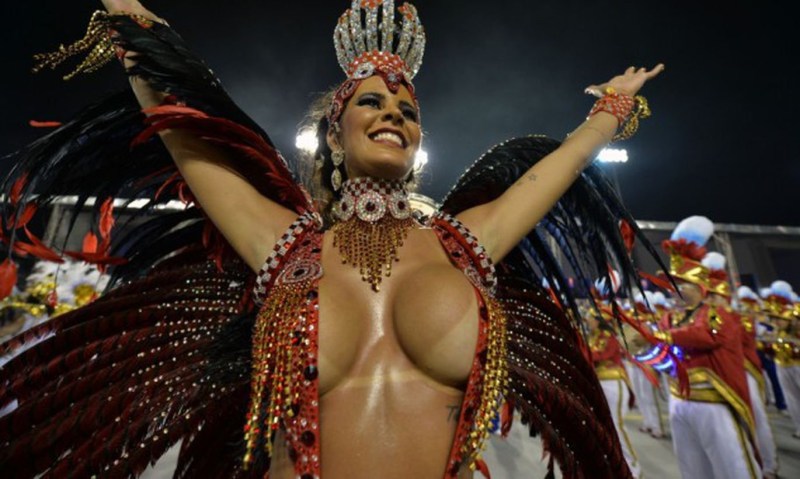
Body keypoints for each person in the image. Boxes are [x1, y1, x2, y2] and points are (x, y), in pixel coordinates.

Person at [0, 1, 666, 477]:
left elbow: (558, 169)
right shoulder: (285, 245)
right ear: (334, 132)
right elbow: (183, 136)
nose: (393, 114)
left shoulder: (464, 243)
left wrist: (611, 109)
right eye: (371, 102)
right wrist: (132, 27)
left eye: (407, 110)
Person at [654, 216, 761, 479]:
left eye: (681, 283)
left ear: (700, 287)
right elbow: (662, 349)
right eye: (672, 283)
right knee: (692, 467)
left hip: (713, 401)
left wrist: (660, 337)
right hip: (679, 399)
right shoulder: (668, 318)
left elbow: (705, 335)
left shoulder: (718, 314)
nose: (674, 289)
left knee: (731, 465)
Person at [704, 255, 779, 478]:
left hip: (745, 371)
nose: (710, 301)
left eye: (714, 296)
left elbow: (740, 339)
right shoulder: (711, 317)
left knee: (756, 417)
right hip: (723, 373)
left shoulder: (737, 318)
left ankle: (768, 464)